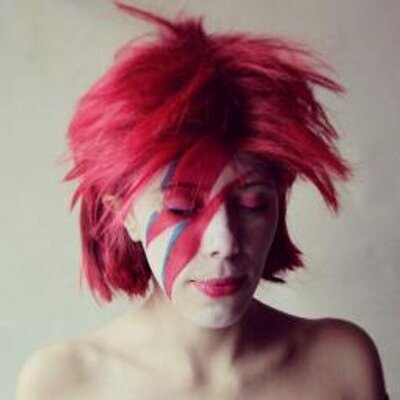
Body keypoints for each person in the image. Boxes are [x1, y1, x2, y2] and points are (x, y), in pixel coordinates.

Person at [16, 3, 388, 399]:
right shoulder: (62, 384)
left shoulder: (342, 365)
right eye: (181, 208)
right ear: (124, 214)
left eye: (253, 205)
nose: (224, 242)